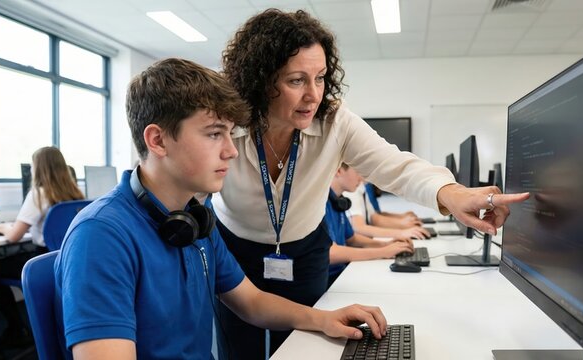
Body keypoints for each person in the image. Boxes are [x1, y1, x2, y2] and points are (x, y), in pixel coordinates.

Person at [213, 8, 529, 357]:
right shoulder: (228, 124)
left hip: (304, 253)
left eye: (320, 78)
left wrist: (451, 194)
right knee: (241, 349)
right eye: (296, 80)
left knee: (307, 349)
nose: (313, 95)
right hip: (234, 253)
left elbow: (394, 165)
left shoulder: (334, 121)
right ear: (261, 81)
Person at [54, 58, 389, 360]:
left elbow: (251, 302)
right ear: (157, 141)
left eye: (230, 134)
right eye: (215, 134)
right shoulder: (101, 236)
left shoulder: (196, 221)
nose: (231, 151)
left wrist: (324, 319)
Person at [0, 146, 85, 349]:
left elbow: (15, 236)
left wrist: (4, 227)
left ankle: (17, 329)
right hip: (67, 259)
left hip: (43, 261)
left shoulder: (39, 194)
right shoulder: (76, 194)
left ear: (39, 168)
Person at [326, 164, 413, 285]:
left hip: (342, 272)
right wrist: (382, 252)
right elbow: (331, 252)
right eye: (357, 171)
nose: (361, 178)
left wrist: (384, 244)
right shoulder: (322, 203)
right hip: (329, 280)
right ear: (339, 171)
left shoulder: (338, 201)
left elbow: (352, 239)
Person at [343, 182, 431, 240]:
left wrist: (401, 218)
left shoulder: (361, 187)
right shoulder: (352, 190)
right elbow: (359, 227)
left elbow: (373, 216)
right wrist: (402, 231)